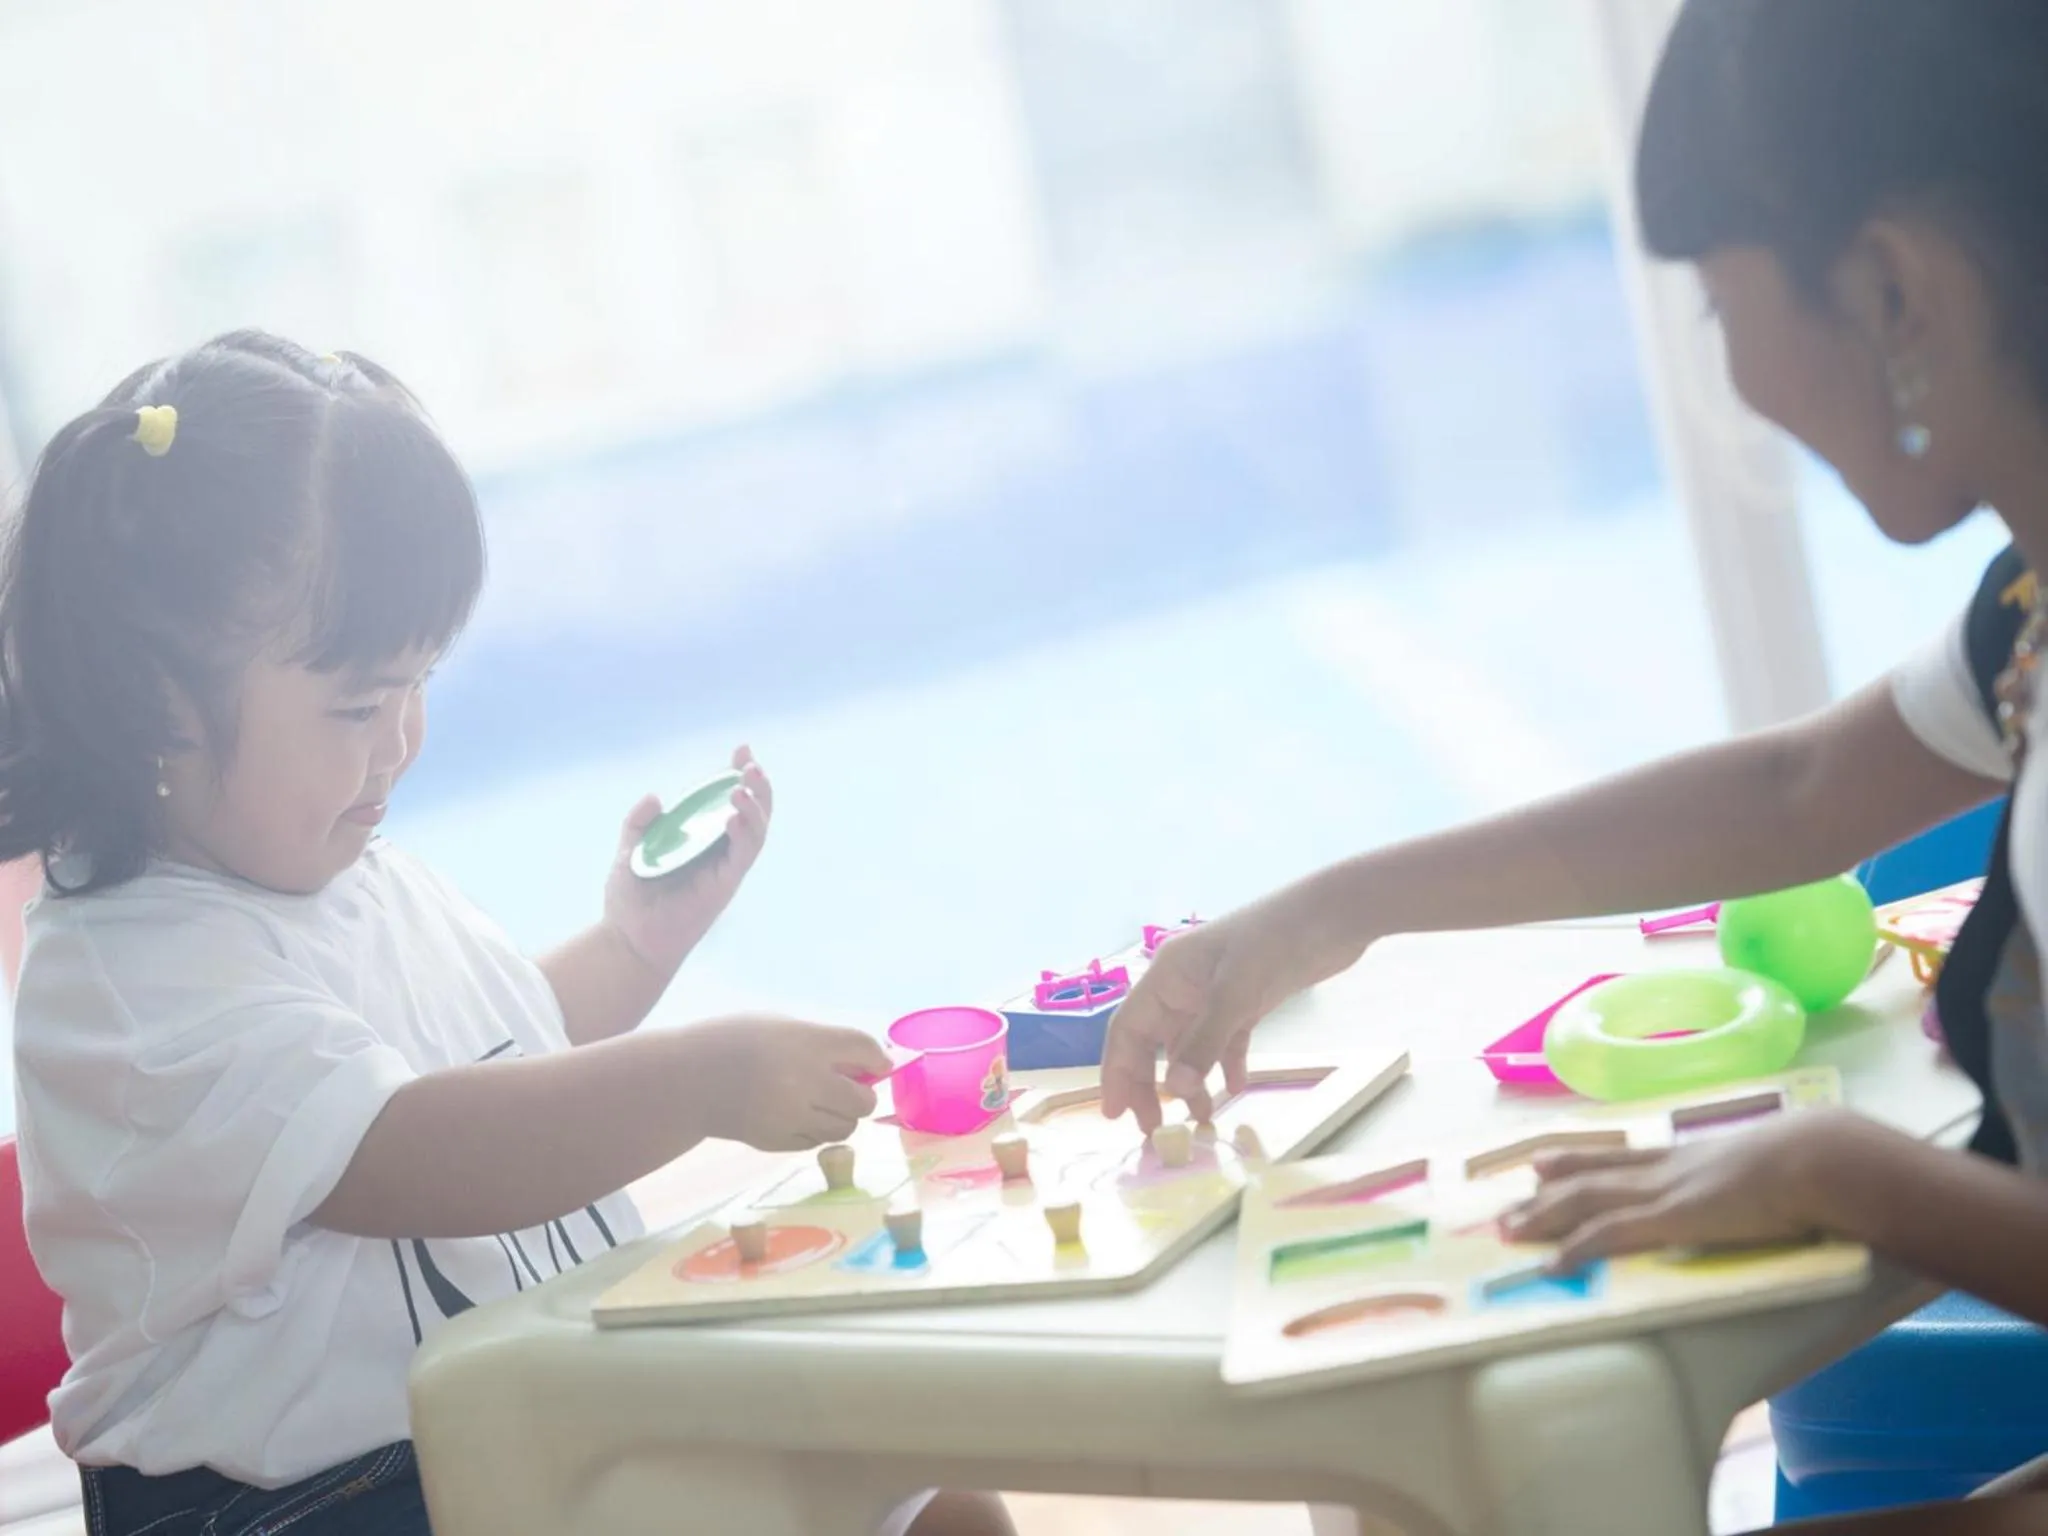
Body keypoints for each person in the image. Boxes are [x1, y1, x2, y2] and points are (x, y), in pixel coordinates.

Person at [1106, 0, 2048, 1345]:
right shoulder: (2026, 610)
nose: (1739, 377)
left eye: (1725, 302)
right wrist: (1333, 908)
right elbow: (1796, 794)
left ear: (1897, 292)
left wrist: (1832, 1169)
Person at [1, 334, 1011, 1536]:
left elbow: (491, 1058)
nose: (401, 741)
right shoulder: (126, 984)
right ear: (165, 708)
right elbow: (411, 1148)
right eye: (359, 704)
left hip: (500, 1427)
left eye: (419, 683)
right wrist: (698, 1077)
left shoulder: (347, 877)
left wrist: (631, 948)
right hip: (311, 1503)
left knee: (941, 1502)